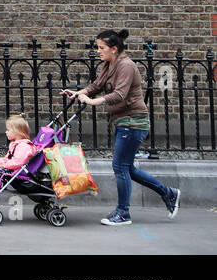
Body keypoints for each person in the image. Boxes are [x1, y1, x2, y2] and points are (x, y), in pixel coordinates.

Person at [61, 29, 180, 226]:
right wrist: (78, 93)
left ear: (114, 49)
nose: (98, 51)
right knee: (127, 168)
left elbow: (120, 94)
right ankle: (169, 193)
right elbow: (96, 86)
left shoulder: (126, 65)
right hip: (124, 121)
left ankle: (123, 212)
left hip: (133, 121)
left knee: (120, 166)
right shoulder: (109, 64)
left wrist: (93, 102)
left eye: (101, 48)